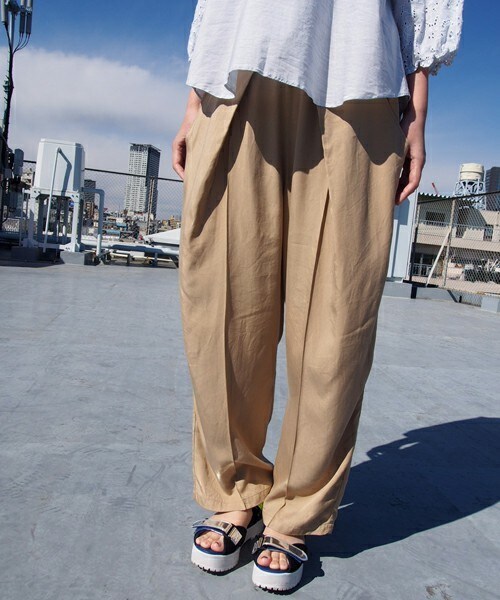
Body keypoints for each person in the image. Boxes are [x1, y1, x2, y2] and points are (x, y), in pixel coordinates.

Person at [172, 0, 463, 592]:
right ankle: (235, 490)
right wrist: (193, 103)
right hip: (237, 74)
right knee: (223, 306)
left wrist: (417, 112)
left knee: (338, 318)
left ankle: (296, 512)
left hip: (359, 77)